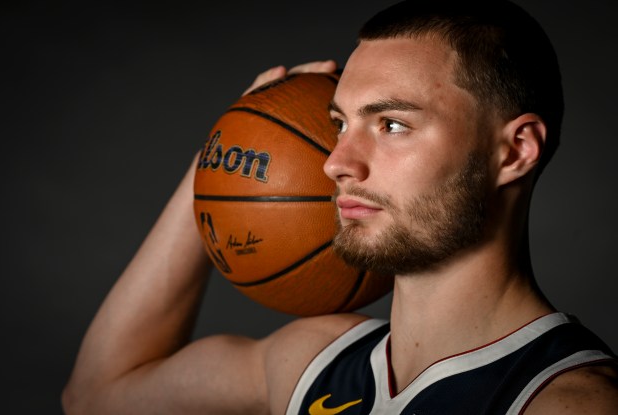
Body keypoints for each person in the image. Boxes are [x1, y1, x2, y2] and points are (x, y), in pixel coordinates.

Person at [62, 1, 618, 414]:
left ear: (514, 151)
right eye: (338, 125)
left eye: (393, 124)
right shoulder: (315, 361)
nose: (336, 163)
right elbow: (97, 394)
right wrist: (219, 158)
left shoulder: (565, 403)